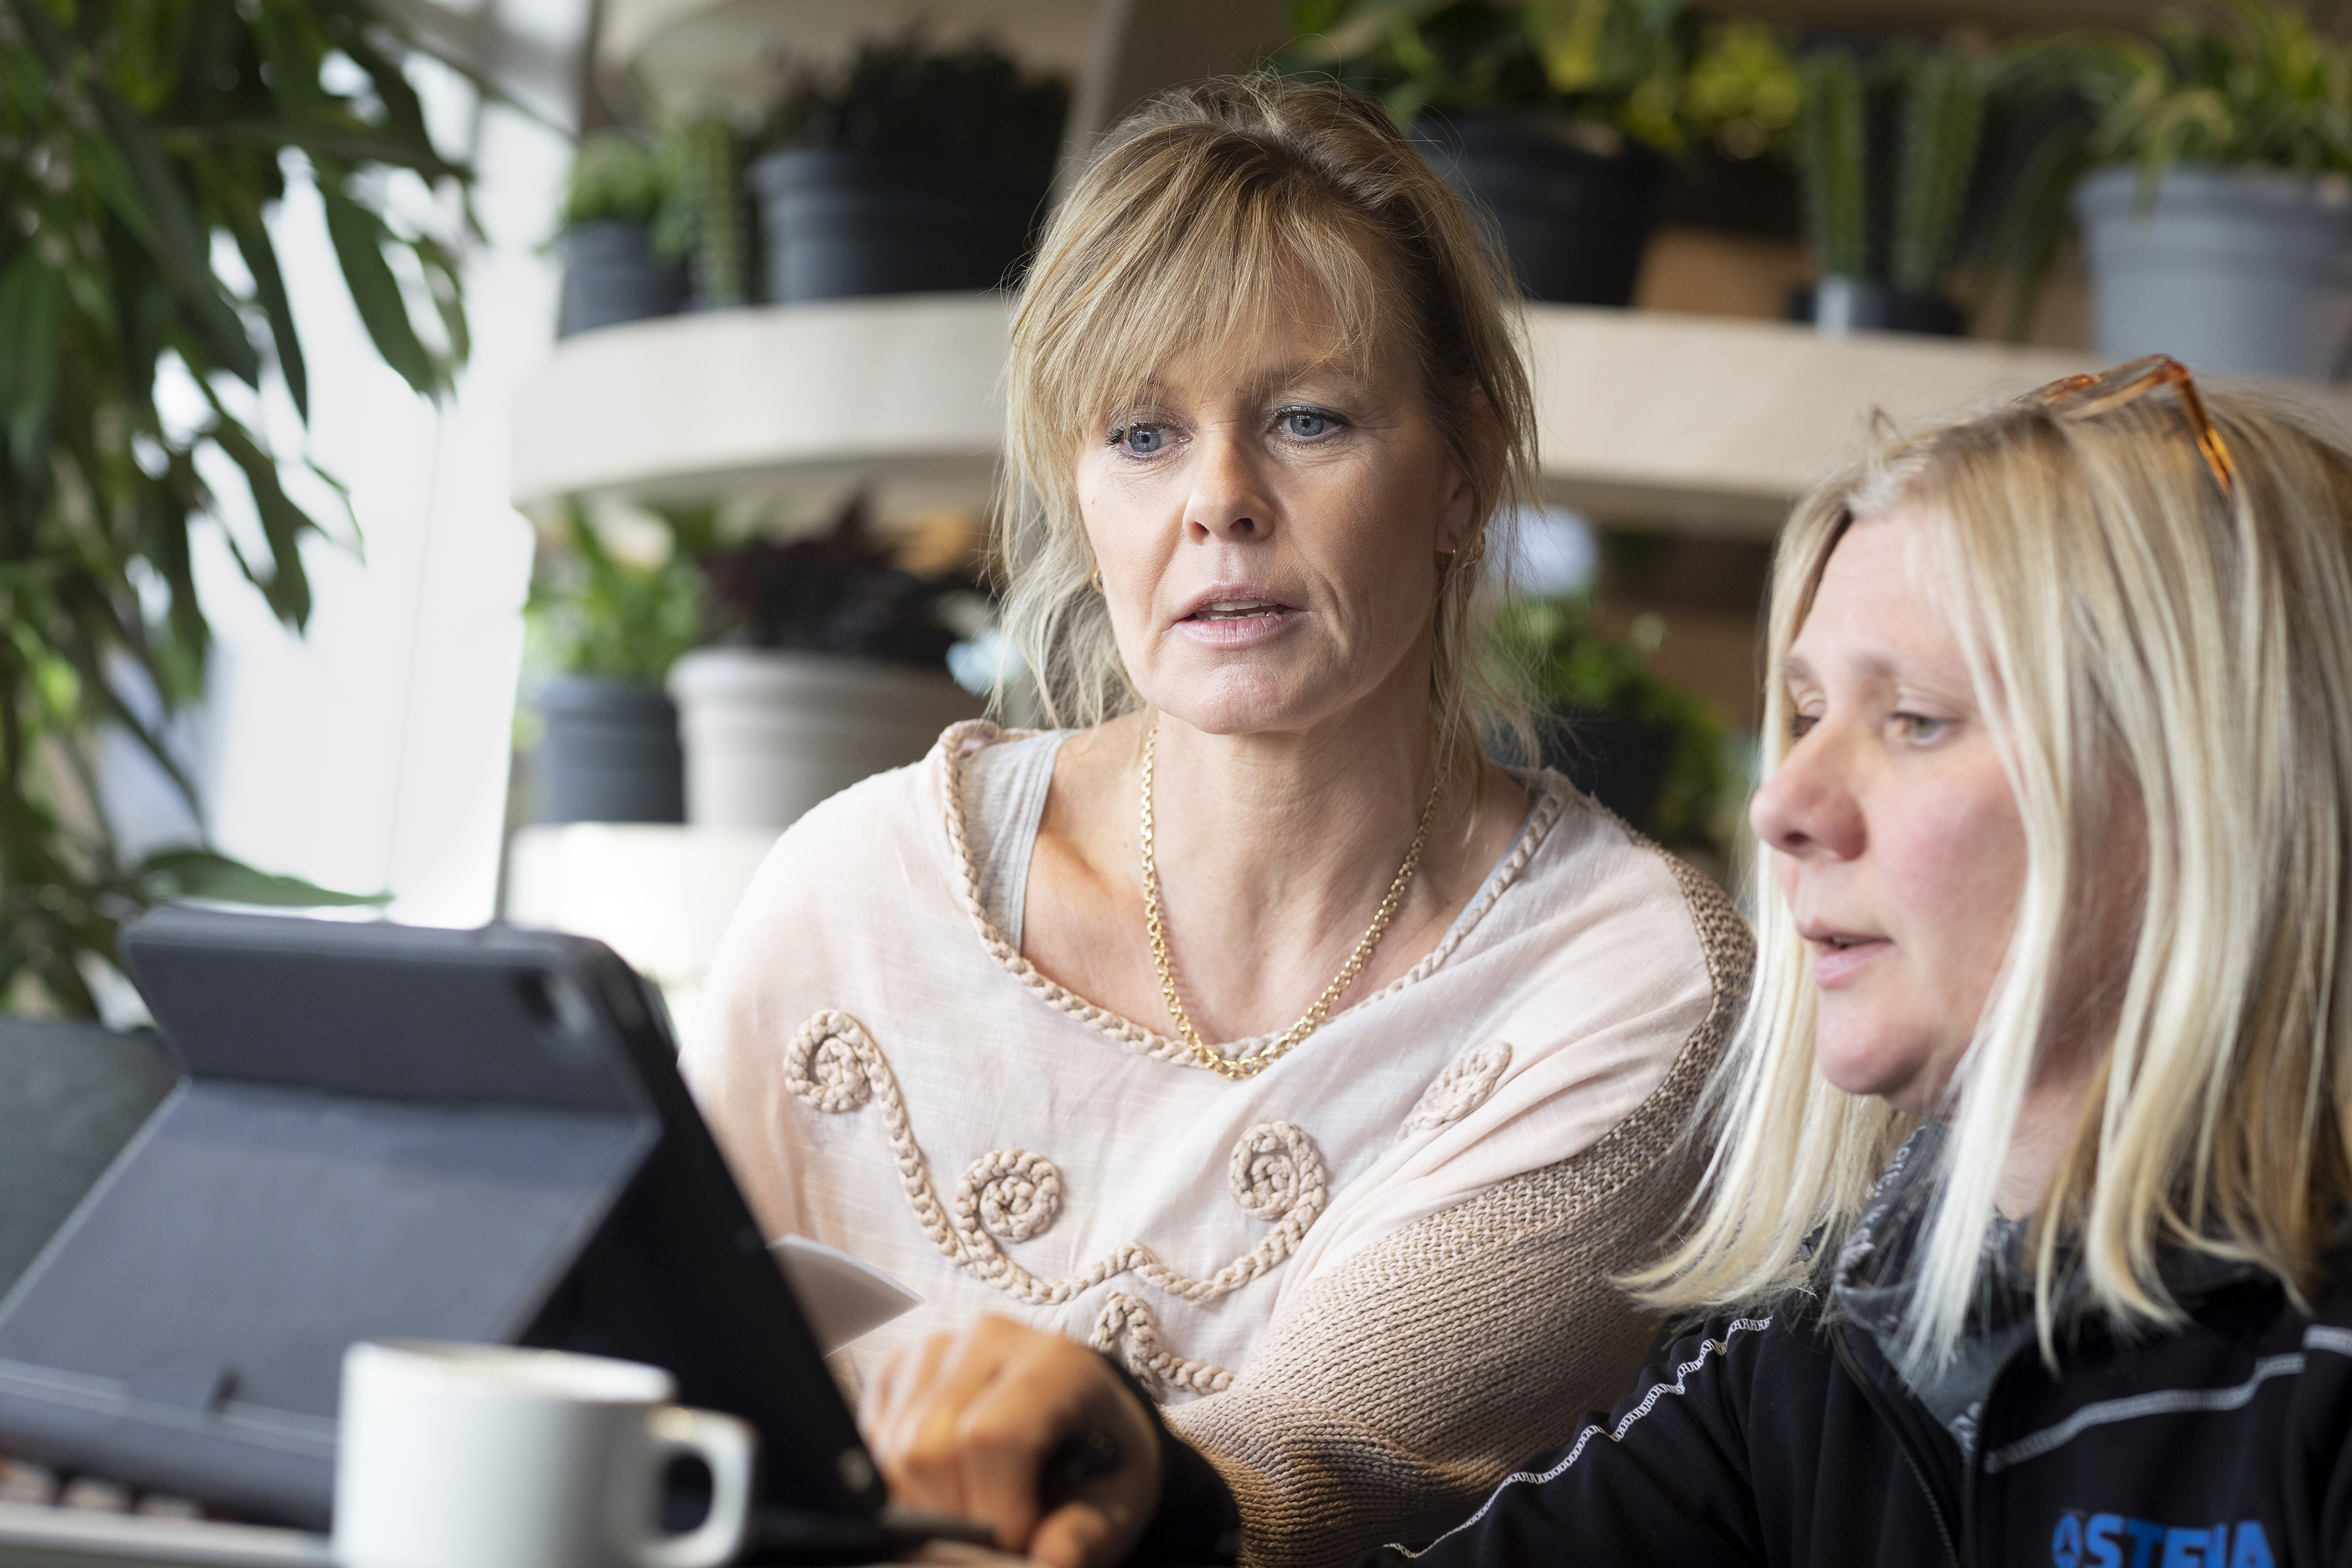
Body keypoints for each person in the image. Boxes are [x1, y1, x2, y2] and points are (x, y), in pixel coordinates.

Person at [918, 360, 2352, 1566]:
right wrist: (1148, 1497)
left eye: (1913, 719)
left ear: (2211, 789)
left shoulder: (2312, 1374)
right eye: (1802, 714)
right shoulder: (1813, 1359)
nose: (1785, 803)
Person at [682, 75, 1750, 1568]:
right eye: (1142, 435)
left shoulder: (1624, 977)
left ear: (1466, 468)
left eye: (1309, 419)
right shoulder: (857, 891)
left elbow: (1298, 1483)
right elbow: (641, 1380)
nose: (1221, 502)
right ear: (1076, 485)